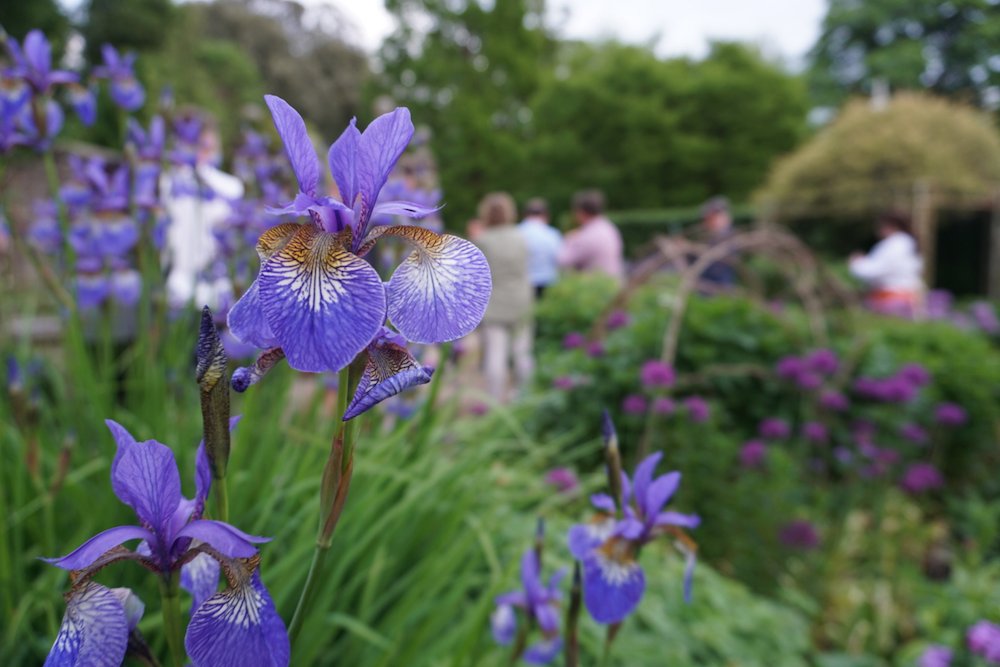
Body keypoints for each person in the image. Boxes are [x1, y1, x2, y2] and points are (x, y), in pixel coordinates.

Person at [163, 118, 243, 310]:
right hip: (176, 277)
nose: (204, 153)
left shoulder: (229, 186)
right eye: (199, 146)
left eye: (210, 148)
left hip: (214, 281)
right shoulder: (170, 180)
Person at [473, 192, 534, 402]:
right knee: (522, 352)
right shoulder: (521, 237)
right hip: (521, 300)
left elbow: (477, 276)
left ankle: (494, 399)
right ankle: (524, 397)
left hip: (494, 303)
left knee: (495, 355)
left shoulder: (482, 240)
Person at [849, 210, 924, 316]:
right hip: (901, 297)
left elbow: (876, 270)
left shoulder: (895, 244)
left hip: (891, 299)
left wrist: (857, 263)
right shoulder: (905, 243)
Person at [557, 189, 625, 284]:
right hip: (613, 283)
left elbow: (563, 260)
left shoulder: (587, 235)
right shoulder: (610, 228)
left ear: (581, 212)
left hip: (595, 288)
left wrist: (569, 239)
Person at [517, 197, 562, 298]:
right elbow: (560, 259)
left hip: (524, 284)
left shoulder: (517, 233)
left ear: (525, 215)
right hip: (548, 283)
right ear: (546, 215)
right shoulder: (553, 234)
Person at [697, 195, 737, 288]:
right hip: (706, 284)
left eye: (711, 218)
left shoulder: (728, 236)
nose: (707, 222)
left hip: (720, 284)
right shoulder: (710, 236)